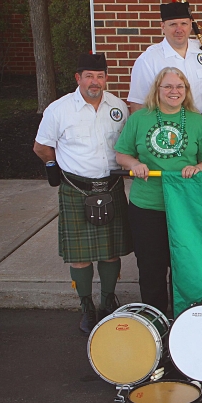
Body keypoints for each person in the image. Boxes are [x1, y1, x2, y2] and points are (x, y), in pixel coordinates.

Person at [33, 52, 132, 334]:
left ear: (106, 79)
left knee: (111, 252)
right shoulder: (59, 109)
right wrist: (52, 166)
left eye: (100, 76)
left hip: (111, 186)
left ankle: (108, 300)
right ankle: (86, 304)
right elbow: (41, 146)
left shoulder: (118, 107)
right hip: (77, 188)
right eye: (89, 76)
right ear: (78, 78)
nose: (95, 82)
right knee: (81, 255)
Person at [114, 67, 202, 315]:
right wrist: (135, 164)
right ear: (157, 90)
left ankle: (183, 317)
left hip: (185, 207)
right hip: (147, 205)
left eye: (179, 87)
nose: (174, 91)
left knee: (184, 265)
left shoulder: (197, 121)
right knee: (151, 266)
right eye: (168, 87)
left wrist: (197, 168)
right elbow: (121, 154)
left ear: (186, 91)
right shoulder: (140, 119)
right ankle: (154, 318)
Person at [128, 1, 202, 114]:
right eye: (173, 24)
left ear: (191, 25)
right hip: (167, 126)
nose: (179, 29)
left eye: (184, 23)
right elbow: (138, 104)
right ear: (162, 26)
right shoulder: (148, 60)